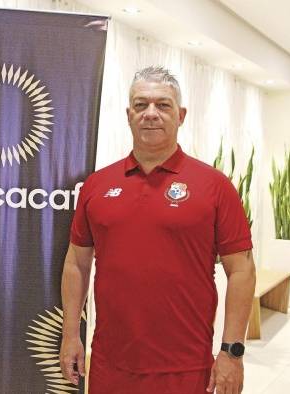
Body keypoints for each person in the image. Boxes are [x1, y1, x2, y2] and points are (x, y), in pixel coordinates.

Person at [60, 66, 256, 394]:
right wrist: (70, 335)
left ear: (181, 115)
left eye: (163, 105)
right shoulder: (97, 185)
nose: (151, 113)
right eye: (141, 105)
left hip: (186, 367)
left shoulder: (215, 186)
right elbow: (76, 263)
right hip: (110, 363)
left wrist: (231, 353)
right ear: (128, 115)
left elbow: (242, 270)